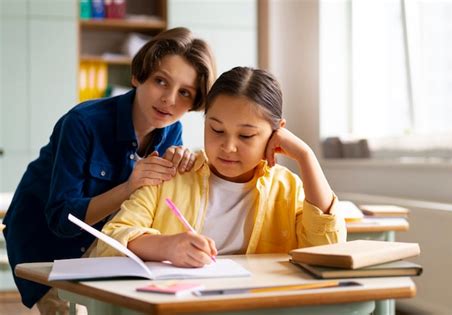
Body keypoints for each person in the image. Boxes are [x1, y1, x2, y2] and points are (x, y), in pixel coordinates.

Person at [3, 27, 216, 310]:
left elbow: (152, 205)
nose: (170, 99)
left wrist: (180, 171)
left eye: (185, 92)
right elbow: (61, 221)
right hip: (49, 244)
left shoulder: (171, 130)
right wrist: (129, 187)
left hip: (107, 245)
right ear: (138, 76)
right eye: (161, 81)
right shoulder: (82, 123)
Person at [95, 66, 347, 267]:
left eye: (246, 136)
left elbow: (328, 248)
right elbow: (109, 242)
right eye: (216, 129)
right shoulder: (173, 173)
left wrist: (306, 156)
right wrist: (167, 247)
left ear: (276, 133)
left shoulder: (287, 188)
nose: (228, 147)